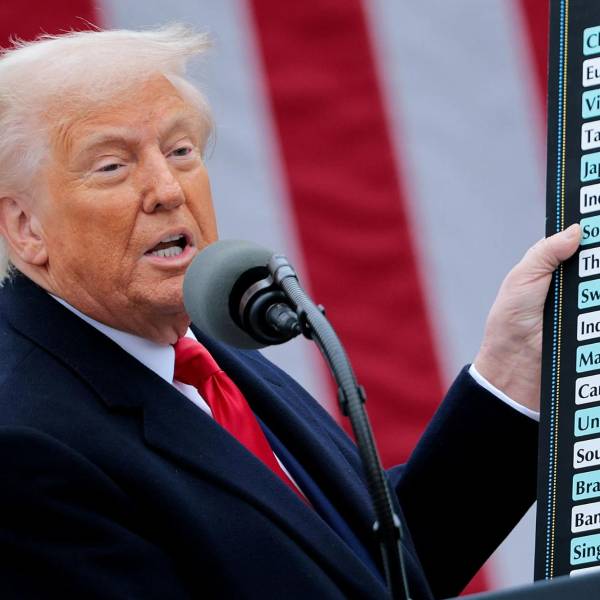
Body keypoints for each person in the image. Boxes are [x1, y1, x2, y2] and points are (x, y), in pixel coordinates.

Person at [0, 26, 580, 599]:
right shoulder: (23, 449)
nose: (168, 190)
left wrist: (512, 369)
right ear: (26, 227)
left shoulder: (196, 346)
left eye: (180, 151)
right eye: (112, 166)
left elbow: (371, 571)